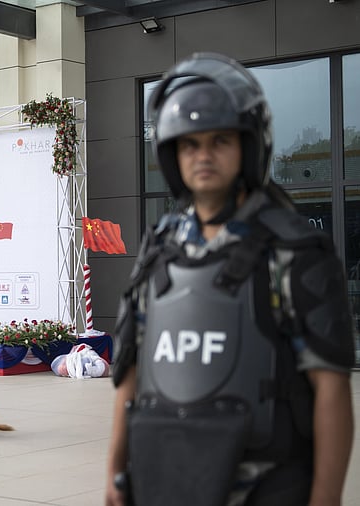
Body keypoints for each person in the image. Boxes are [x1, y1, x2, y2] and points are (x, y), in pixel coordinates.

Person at [105, 53, 354, 506]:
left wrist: (326, 499)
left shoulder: (294, 250)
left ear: (248, 146)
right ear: (171, 154)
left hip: (266, 485)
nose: (203, 155)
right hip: (165, 478)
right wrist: (114, 474)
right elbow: (131, 373)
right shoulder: (159, 251)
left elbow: (331, 387)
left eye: (220, 140)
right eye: (188, 144)